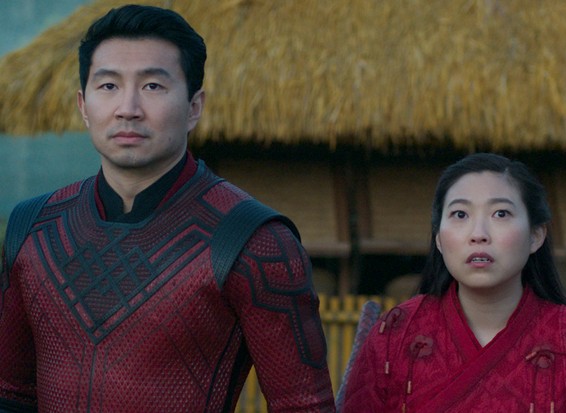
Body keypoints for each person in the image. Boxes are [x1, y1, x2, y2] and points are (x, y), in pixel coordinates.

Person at [0, 5, 335, 413]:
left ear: (194, 107)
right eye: (108, 85)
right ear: (83, 105)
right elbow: (11, 395)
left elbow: (304, 406)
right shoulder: (33, 228)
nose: (128, 108)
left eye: (153, 86)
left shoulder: (254, 242)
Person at [342, 153, 566, 412]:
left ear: (536, 236)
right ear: (438, 238)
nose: (478, 234)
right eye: (460, 214)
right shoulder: (393, 337)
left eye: (500, 213)